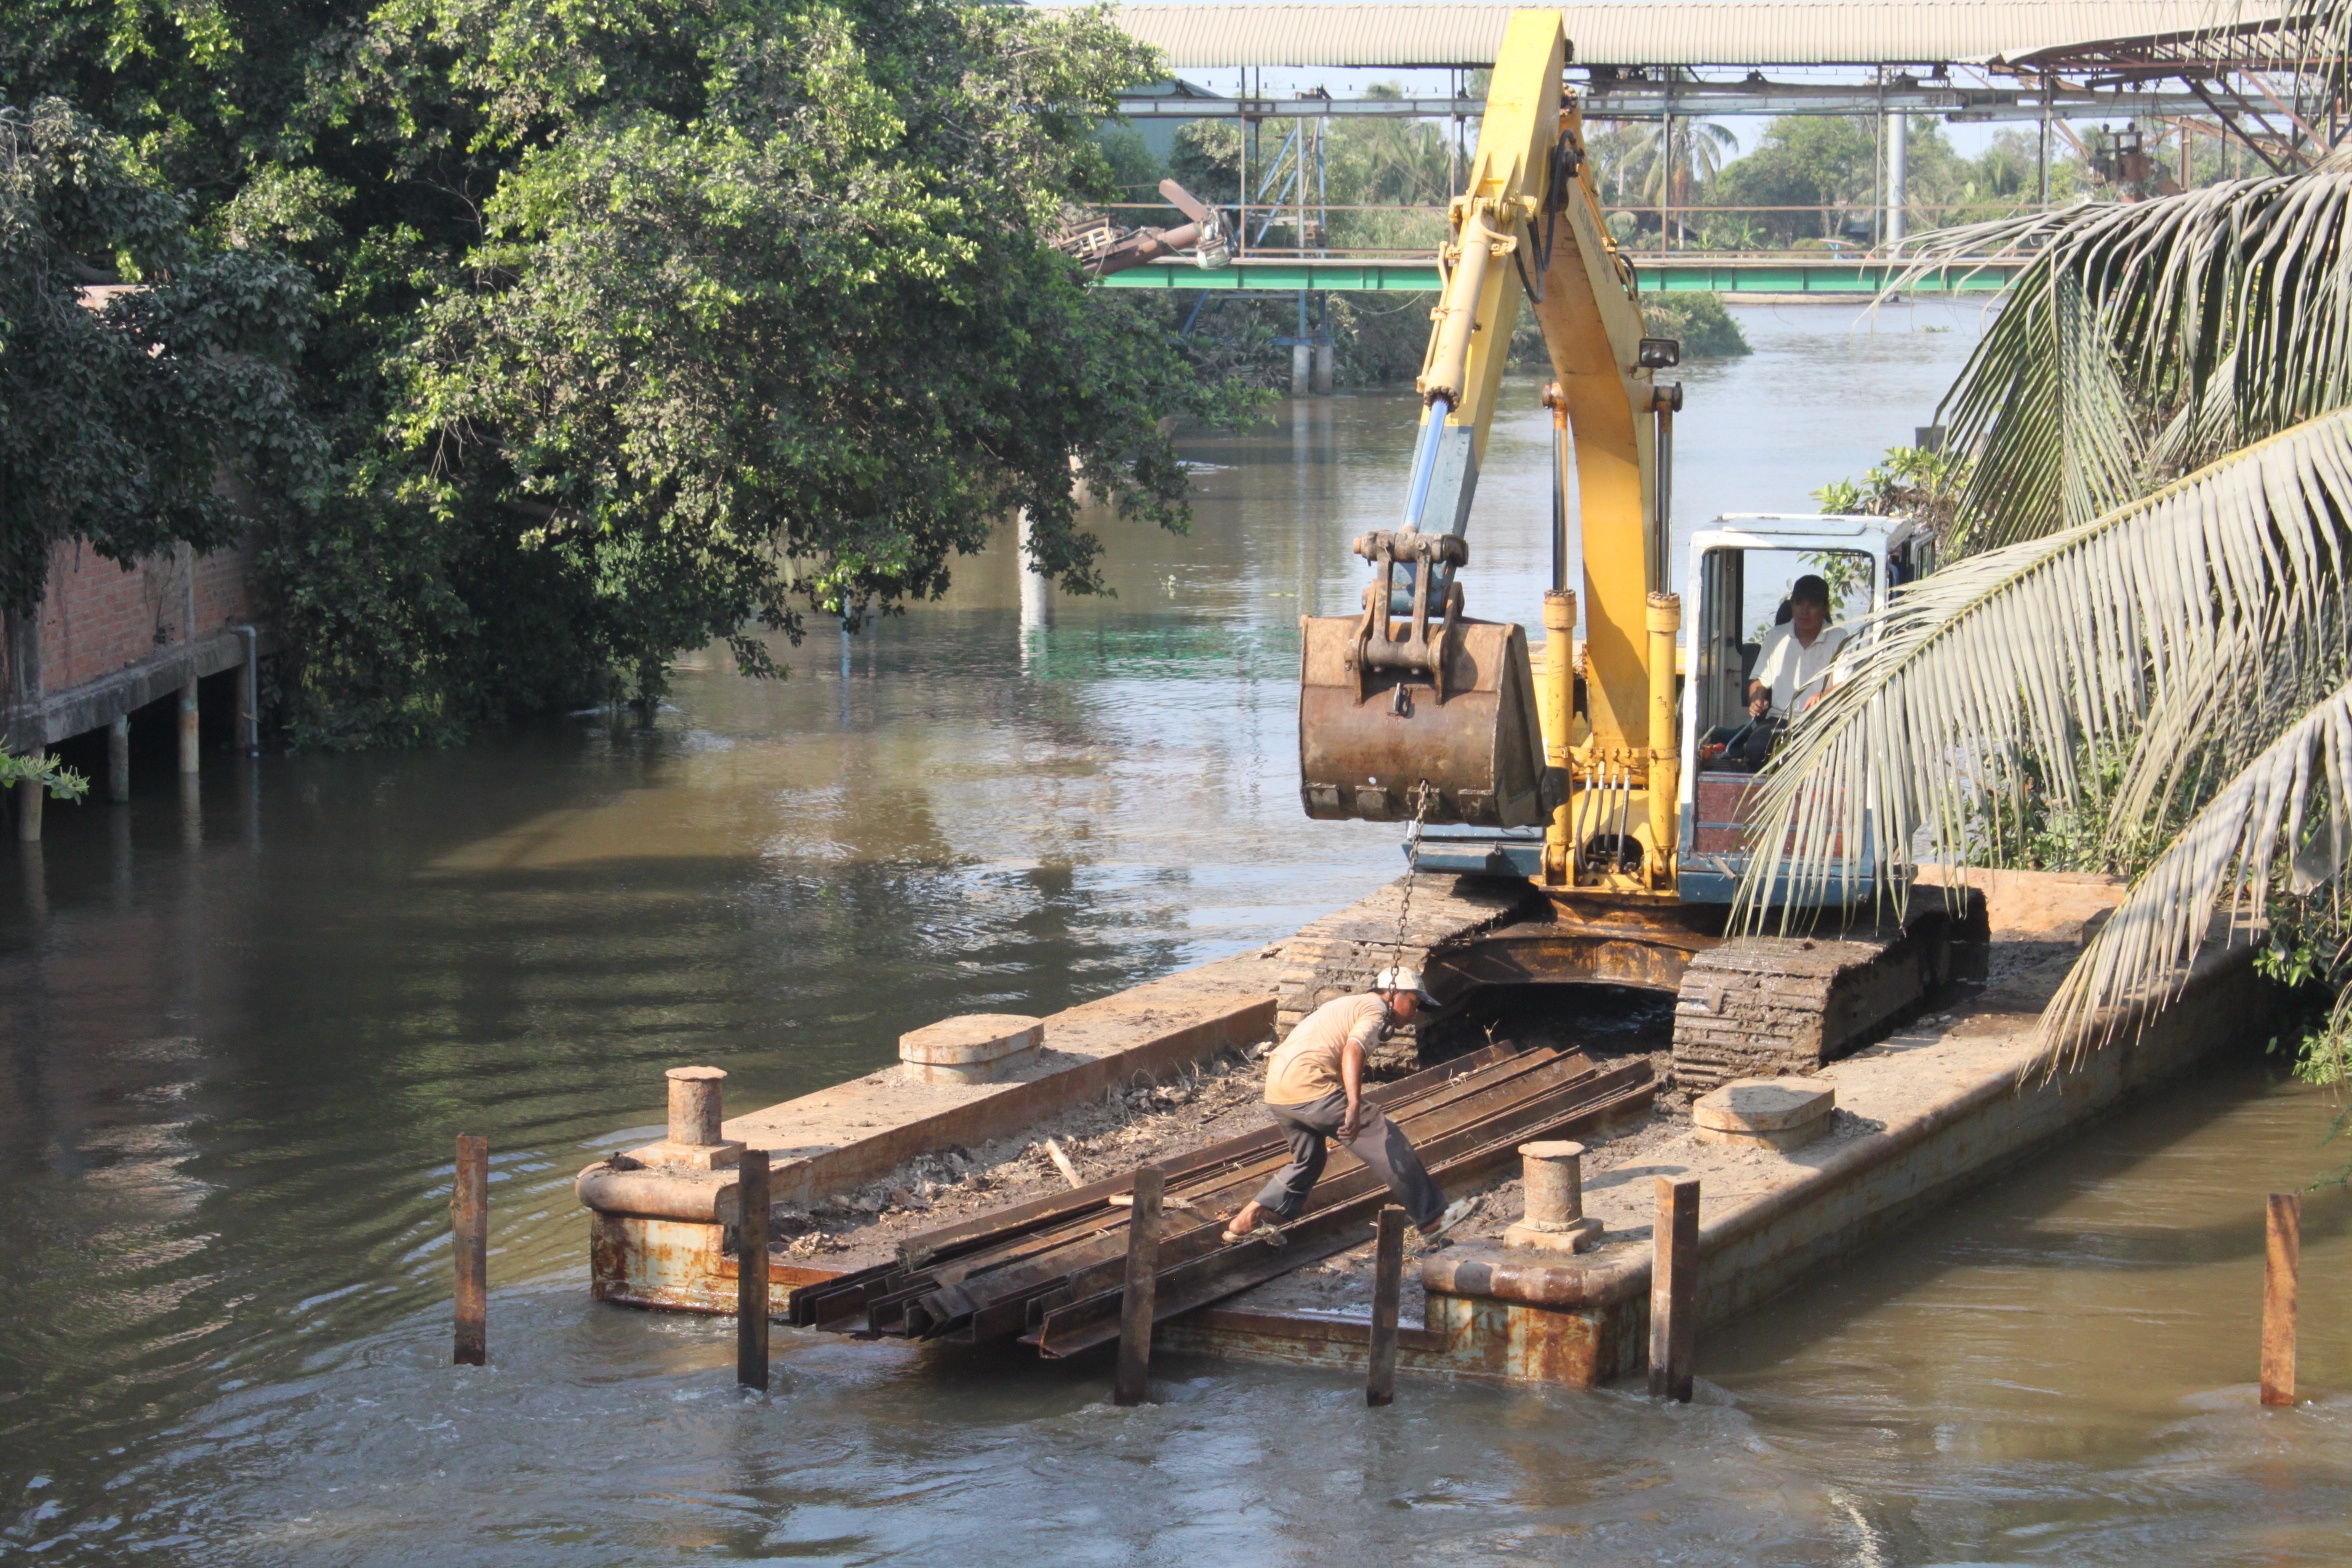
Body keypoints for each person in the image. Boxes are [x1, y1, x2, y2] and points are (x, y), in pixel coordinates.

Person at [1222, 965, 1450, 1245]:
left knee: (1309, 1160)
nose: (1414, 1013)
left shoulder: (1349, 1004)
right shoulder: (1375, 1010)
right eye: (1413, 1003)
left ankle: (1245, 1219)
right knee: (1385, 1138)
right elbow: (1353, 1049)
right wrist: (1354, 1104)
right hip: (1309, 1087)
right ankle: (1432, 1220)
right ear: (1393, 993)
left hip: (1279, 1090)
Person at [1737, 574, 1847, 770]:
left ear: (1825, 608)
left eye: (1812, 604)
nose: (1804, 611)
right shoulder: (1775, 636)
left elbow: (1846, 683)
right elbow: (1759, 680)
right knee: (1755, 748)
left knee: (1827, 755)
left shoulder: (1839, 638)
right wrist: (1757, 698)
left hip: (1820, 721)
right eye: (1798, 603)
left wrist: (1823, 695)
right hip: (1778, 720)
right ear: (1791, 605)